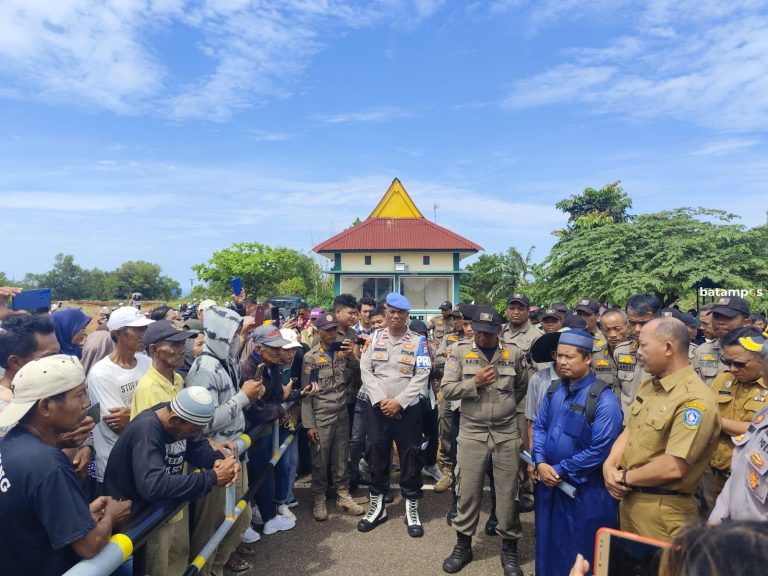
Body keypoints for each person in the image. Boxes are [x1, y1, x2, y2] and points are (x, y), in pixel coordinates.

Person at [0, 355, 131, 576]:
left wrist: (82, 513)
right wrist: (112, 516)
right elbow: (89, 546)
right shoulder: (47, 463)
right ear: (45, 406)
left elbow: (31, 515)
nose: (86, 403)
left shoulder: (11, 443)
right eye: (79, 395)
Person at [603, 317, 720, 541]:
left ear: (668, 348)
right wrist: (609, 466)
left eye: (643, 345)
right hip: (631, 502)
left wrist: (624, 477)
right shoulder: (650, 384)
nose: (638, 352)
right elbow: (630, 431)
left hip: (664, 510)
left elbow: (674, 467)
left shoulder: (694, 400)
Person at [105, 386, 239, 576]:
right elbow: (153, 486)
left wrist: (216, 460)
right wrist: (212, 477)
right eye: (192, 430)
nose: (194, 434)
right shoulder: (147, 429)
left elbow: (197, 445)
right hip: (139, 520)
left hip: (161, 512)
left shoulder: (176, 419)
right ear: (175, 420)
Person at [441, 305, 529, 576]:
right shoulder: (459, 352)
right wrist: (473, 384)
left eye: (488, 333)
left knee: (508, 494)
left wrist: (502, 408)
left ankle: (509, 550)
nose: (483, 337)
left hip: (506, 433)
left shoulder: (512, 353)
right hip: (472, 432)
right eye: (478, 332)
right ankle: (463, 546)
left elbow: (521, 387)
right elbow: (447, 390)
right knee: (466, 492)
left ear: (498, 330)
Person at [532, 330, 624, 576]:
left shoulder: (605, 401)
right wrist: (540, 462)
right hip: (550, 487)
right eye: (559, 356)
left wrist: (559, 470)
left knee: (581, 553)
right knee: (547, 546)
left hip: (584, 493)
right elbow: (539, 427)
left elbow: (599, 450)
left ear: (587, 359)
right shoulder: (554, 390)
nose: (562, 362)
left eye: (569, 357)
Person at [186, 306, 263, 576]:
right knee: (212, 525)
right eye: (233, 336)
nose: (237, 341)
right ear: (220, 336)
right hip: (214, 459)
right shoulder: (205, 369)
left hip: (234, 452)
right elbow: (202, 422)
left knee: (238, 517)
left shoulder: (224, 362)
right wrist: (243, 398)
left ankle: (218, 566)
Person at [358, 293, 431, 537]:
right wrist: (381, 401)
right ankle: (377, 507)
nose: (396, 316)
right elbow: (365, 369)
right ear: (386, 312)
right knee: (377, 453)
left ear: (407, 315)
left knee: (411, 457)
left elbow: (422, 374)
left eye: (401, 313)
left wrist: (398, 402)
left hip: (407, 409)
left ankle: (411, 506)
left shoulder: (418, 341)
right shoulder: (373, 337)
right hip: (378, 409)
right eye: (392, 311)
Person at [302, 313, 365, 521]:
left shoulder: (341, 353)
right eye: (327, 330)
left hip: (341, 414)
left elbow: (356, 375)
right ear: (318, 331)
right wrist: (309, 424)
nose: (331, 334)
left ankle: (343, 495)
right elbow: (306, 393)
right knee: (320, 460)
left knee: (341, 457)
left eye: (333, 330)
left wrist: (352, 357)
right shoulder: (310, 357)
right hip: (321, 416)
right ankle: (319, 497)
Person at [87, 306, 154, 489]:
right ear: (118, 333)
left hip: (145, 461)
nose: (144, 334)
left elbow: (163, 405)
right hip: (117, 465)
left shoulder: (147, 363)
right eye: (138, 329)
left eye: (145, 328)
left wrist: (133, 415)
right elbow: (118, 426)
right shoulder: (102, 374)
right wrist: (156, 416)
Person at [703, 327, 766, 516]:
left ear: (761, 358)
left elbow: (756, 430)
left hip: (749, 479)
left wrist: (715, 421)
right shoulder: (723, 380)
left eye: (739, 363)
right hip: (712, 473)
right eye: (727, 362)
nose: (732, 369)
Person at [241, 325, 297, 533]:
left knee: (265, 472)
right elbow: (256, 409)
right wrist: (278, 410)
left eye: (280, 347)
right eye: (273, 348)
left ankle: (268, 515)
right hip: (250, 432)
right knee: (254, 476)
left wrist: (277, 407)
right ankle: (255, 520)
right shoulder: (249, 369)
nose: (279, 352)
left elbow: (274, 397)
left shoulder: (271, 366)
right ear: (258, 348)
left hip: (264, 431)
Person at [350, 303, 387, 492]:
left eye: (380, 322)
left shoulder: (396, 342)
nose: (376, 326)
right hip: (364, 397)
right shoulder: (368, 341)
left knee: (378, 441)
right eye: (373, 323)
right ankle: (354, 476)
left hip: (384, 400)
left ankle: (379, 481)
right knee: (356, 439)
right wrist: (357, 347)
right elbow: (359, 366)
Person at [613, 294, 662, 415]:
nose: (637, 329)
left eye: (643, 323)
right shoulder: (621, 352)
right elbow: (617, 392)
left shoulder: (676, 353)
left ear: (659, 319)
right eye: (632, 323)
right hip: (626, 425)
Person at [694, 296, 751, 386]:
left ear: (746, 322)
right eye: (716, 317)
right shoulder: (702, 351)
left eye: (728, 317)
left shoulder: (761, 353)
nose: (720, 322)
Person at [592, 308, 629, 397]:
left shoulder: (638, 353)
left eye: (617, 329)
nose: (612, 334)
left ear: (627, 327)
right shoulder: (595, 354)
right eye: (607, 330)